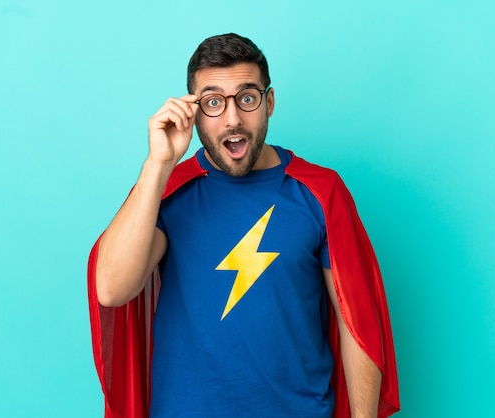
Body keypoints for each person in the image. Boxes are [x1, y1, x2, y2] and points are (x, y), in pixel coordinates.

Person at [88, 33, 399, 418]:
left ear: (268, 102)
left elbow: (356, 326)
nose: (233, 119)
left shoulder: (320, 192)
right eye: (214, 102)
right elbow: (113, 289)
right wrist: (158, 164)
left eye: (247, 98)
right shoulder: (168, 193)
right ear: (194, 110)